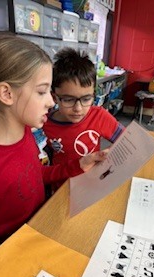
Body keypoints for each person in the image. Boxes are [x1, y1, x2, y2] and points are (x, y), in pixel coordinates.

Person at [0, 33, 106, 263]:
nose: (51, 101)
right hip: (19, 259)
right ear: (7, 94)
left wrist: (79, 165)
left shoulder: (26, 134)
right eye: (42, 92)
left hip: (43, 230)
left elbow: (35, 176)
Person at [43, 48, 125, 188]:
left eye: (86, 99)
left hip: (92, 185)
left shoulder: (99, 116)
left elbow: (126, 140)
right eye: (68, 100)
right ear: (54, 97)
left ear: (94, 94)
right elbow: (42, 170)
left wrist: (111, 154)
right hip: (61, 189)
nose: (78, 109)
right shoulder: (44, 125)